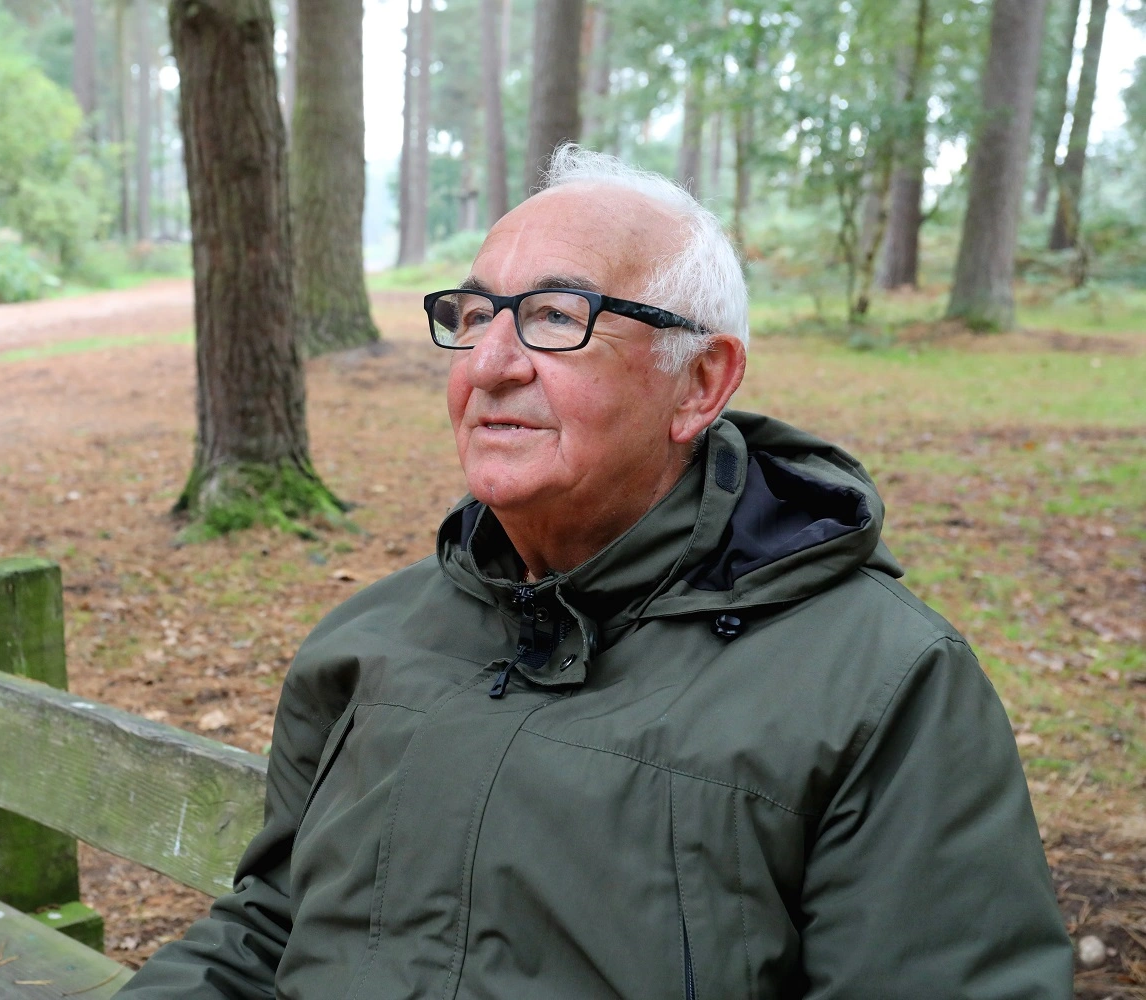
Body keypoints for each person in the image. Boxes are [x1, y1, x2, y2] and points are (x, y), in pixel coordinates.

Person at [116, 146, 1072, 999]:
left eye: (554, 317)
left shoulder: (882, 685)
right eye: (473, 313)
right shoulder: (370, 641)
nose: (489, 362)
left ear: (699, 382)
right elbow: (273, 925)